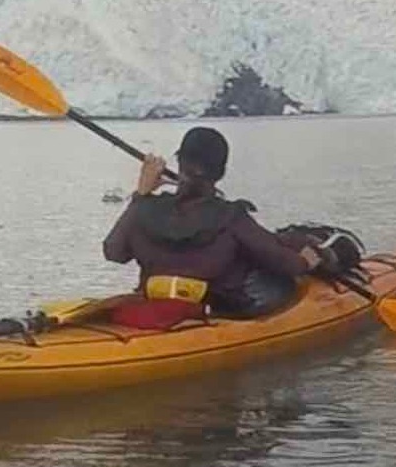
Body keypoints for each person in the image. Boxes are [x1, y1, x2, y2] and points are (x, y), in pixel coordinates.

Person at [101, 126, 323, 321]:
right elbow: (284, 263)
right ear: (221, 173)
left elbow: (114, 252)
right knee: (280, 285)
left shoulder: (146, 208)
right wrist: (305, 261)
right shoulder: (232, 216)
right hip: (216, 311)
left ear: (179, 162)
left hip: (157, 302)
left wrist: (141, 195)